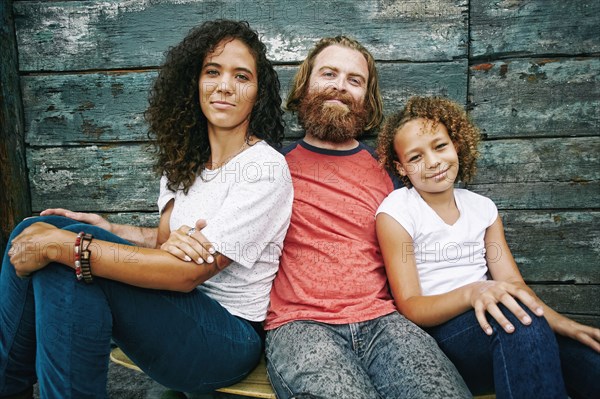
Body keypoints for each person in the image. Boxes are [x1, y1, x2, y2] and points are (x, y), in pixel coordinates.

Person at [0, 19, 293, 398]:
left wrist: (64, 246)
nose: (224, 86)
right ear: (195, 82)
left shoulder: (265, 168)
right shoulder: (186, 164)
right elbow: (164, 243)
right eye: (212, 72)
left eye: (241, 77)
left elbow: (185, 274)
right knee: (40, 228)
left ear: (258, 93)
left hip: (226, 337)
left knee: (65, 251)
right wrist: (110, 229)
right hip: (173, 311)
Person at [261, 37, 471, 399]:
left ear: (366, 98)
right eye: (329, 74)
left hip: (384, 321)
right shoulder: (270, 166)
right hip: (302, 325)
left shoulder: (391, 171)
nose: (340, 86)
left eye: (354, 80)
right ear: (306, 83)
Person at [375, 96, 600, 398]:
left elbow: (512, 284)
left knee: (589, 357)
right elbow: (411, 305)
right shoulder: (397, 211)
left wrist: (566, 326)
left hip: (501, 322)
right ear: (401, 168)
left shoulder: (483, 209)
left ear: (455, 144)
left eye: (440, 146)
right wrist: (472, 293)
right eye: (415, 158)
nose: (433, 162)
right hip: (444, 338)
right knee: (520, 324)